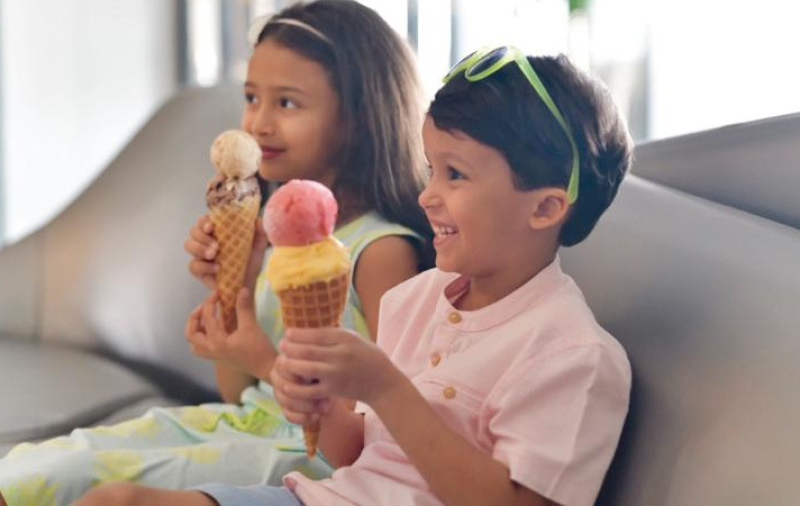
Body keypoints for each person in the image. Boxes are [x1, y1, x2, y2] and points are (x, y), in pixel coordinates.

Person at [73, 45, 635, 506]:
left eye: (456, 175)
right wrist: (316, 404)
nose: (427, 196)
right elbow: (361, 456)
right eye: (431, 169)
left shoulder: (574, 356)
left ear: (545, 208)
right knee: (114, 502)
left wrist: (386, 387)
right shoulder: (418, 299)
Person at [0, 0, 432, 506]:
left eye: (287, 103)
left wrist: (263, 358)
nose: (258, 123)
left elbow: (388, 424)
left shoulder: (381, 252)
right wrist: (236, 288)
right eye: (252, 97)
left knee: (101, 486)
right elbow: (238, 393)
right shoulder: (273, 232)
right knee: (45, 465)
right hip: (243, 422)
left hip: (314, 456)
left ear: (359, 118)